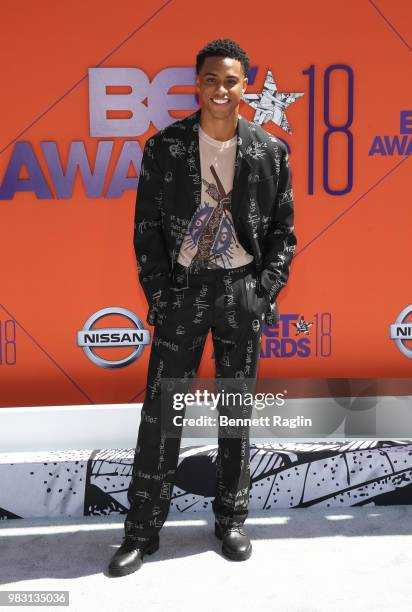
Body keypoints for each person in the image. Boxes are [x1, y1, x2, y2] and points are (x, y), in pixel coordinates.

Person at [107, 38, 297, 577]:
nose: (221, 90)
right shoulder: (165, 147)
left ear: (246, 86)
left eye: (231, 80)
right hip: (183, 293)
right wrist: (161, 297)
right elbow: (146, 233)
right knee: (162, 416)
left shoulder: (269, 150)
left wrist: (264, 290)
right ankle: (141, 533)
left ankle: (231, 520)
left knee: (235, 411)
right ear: (198, 83)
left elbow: (284, 233)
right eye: (211, 79)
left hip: (241, 292)